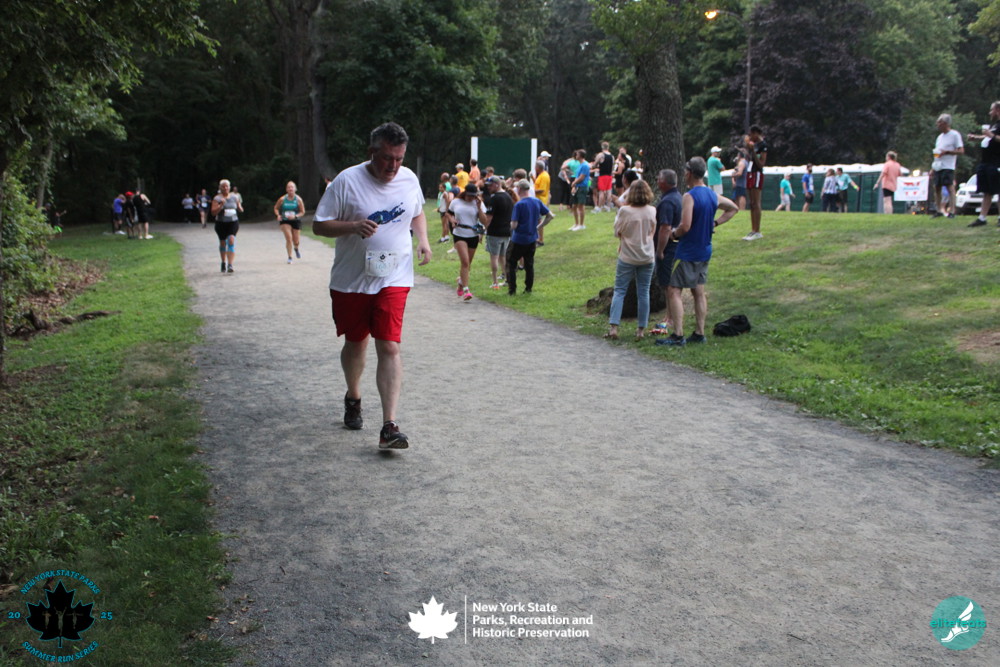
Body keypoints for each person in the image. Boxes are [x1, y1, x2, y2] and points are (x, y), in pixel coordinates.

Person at [312, 121, 431, 450]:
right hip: (352, 281)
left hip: (394, 277)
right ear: (371, 152)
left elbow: (417, 212)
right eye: (387, 158)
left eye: (399, 159)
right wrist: (352, 226)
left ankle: (389, 426)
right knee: (356, 342)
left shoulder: (409, 179)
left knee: (389, 345)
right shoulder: (346, 181)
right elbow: (319, 226)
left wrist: (422, 240)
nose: (393, 166)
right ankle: (353, 396)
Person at [656, 157, 738, 347]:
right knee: (698, 291)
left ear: (689, 173)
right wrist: (715, 222)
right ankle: (699, 333)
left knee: (673, 289)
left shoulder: (689, 196)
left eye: (685, 171)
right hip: (705, 249)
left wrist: (673, 234)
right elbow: (733, 208)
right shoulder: (712, 194)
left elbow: (685, 226)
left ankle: (678, 335)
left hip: (688, 251)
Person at [603, 179, 656, 341]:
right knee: (644, 292)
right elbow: (652, 231)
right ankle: (641, 329)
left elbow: (617, 231)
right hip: (647, 256)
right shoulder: (652, 210)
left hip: (627, 255)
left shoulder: (625, 211)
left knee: (620, 290)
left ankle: (614, 327)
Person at [507, 179, 553, 295]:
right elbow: (550, 216)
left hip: (518, 239)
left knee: (511, 262)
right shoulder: (536, 201)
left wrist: (509, 225)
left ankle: (512, 289)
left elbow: (514, 225)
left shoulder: (519, 205)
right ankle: (528, 288)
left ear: (519, 189)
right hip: (532, 238)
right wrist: (539, 226)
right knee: (529, 264)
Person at [447, 182, 487, 301]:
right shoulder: (456, 202)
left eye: (473, 196)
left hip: (473, 234)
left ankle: (461, 282)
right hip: (459, 233)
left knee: (468, 263)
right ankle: (466, 290)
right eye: (469, 195)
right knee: (464, 262)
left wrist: (479, 208)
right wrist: (452, 220)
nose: (471, 198)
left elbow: (484, 221)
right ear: (464, 193)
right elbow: (448, 214)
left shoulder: (478, 203)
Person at [653, 169, 682, 332]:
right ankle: (669, 316)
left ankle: (670, 318)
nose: (657, 181)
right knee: (669, 285)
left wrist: (660, 250)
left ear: (663, 182)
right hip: (677, 246)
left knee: (668, 285)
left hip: (668, 248)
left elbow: (665, 228)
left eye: (658, 179)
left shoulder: (667, 202)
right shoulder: (678, 197)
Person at [966, 101, 1000, 227]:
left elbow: (994, 137)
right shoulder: (995, 125)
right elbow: (988, 137)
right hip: (986, 162)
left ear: (998, 110)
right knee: (987, 191)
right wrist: (976, 137)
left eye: (991, 110)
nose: (989, 113)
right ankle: (982, 218)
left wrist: (991, 135)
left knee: (998, 190)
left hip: (996, 163)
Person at [931, 113, 964, 218]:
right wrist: (932, 168)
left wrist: (947, 152)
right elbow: (937, 153)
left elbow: (961, 151)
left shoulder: (954, 135)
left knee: (950, 187)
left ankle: (952, 210)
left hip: (948, 165)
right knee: (937, 187)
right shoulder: (939, 137)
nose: (937, 124)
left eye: (939, 122)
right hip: (938, 165)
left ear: (945, 123)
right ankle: (938, 210)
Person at [483, 176, 513, 289]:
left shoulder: (494, 198)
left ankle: (495, 282)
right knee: (503, 256)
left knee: (494, 257)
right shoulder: (508, 196)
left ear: (497, 184)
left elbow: (489, 217)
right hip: (506, 231)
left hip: (495, 231)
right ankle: (507, 279)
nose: (488, 187)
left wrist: (484, 229)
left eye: (490, 185)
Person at [211, 179, 243, 273]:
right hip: (221, 223)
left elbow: (240, 208)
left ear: (229, 187)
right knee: (223, 243)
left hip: (233, 222)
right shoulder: (217, 198)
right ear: (220, 188)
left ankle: (230, 264)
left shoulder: (234, 197)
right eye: (223, 186)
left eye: (227, 186)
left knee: (231, 240)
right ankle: (223, 262)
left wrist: (240, 208)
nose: (225, 188)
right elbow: (213, 213)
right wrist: (221, 205)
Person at [274, 180, 306, 263]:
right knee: (289, 238)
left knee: (296, 241)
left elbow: (302, 212)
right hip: (285, 220)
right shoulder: (282, 199)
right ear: (286, 189)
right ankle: (290, 257)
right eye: (288, 187)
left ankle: (296, 248)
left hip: (295, 220)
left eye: (292, 187)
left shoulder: (298, 199)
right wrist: (278, 215)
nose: (290, 189)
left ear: (295, 189)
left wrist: (295, 216)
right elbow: (276, 208)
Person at [744, 125, 767, 240]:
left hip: (757, 173)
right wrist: (749, 150)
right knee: (752, 203)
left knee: (756, 203)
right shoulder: (755, 145)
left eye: (751, 134)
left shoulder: (763, 146)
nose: (750, 137)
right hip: (750, 172)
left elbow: (761, 164)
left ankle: (757, 231)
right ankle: (753, 230)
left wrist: (753, 150)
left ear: (756, 133)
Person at [570, 149, 590, 231]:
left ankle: (581, 224)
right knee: (574, 206)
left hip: (582, 187)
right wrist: (574, 186)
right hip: (577, 187)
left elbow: (582, 177)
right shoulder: (579, 165)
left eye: (577, 154)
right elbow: (577, 176)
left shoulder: (585, 165)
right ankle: (576, 224)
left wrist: (574, 183)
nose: (576, 155)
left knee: (580, 206)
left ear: (581, 156)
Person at [533, 159, 551, 246]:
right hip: (539, 199)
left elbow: (541, 190)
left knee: (539, 220)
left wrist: (530, 191)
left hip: (540, 200)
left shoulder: (544, 176)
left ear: (538, 167)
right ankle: (537, 238)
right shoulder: (541, 175)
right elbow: (537, 185)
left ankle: (540, 240)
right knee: (537, 219)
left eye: (535, 166)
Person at [594, 141, 615, 212]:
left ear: (602, 147)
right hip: (609, 175)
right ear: (608, 147)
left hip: (602, 175)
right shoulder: (612, 156)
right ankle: (608, 207)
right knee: (609, 191)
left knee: (601, 192)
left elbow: (595, 164)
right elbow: (613, 166)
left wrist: (594, 166)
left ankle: (599, 207)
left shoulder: (601, 155)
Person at [436, 172, 453, 243]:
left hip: (444, 211)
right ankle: (445, 236)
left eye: (441, 187)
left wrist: (447, 210)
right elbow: (441, 202)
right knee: (444, 224)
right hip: (442, 210)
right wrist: (439, 208)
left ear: (444, 188)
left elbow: (447, 202)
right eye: (439, 187)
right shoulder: (441, 193)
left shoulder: (445, 194)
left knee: (445, 224)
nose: (440, 188)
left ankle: (445, 237)